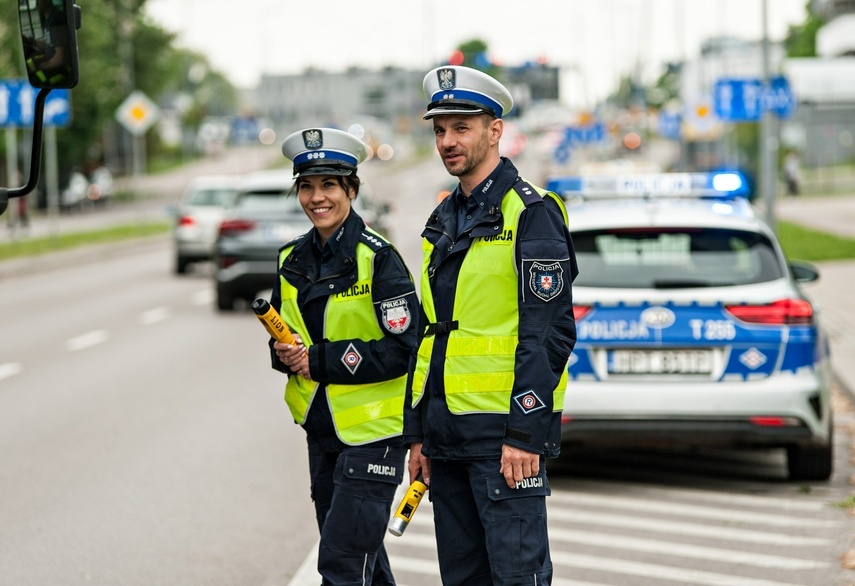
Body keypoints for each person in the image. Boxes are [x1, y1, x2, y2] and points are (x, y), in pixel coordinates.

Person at [405, 66, 579, 585]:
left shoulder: (531, 213)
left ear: (495, 130)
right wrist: (419, 434)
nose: (448, 141)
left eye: (462, 127)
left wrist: (525, 433)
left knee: (516, 578)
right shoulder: (443, 221)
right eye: (439, 130)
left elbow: (549, 332)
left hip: (505, 441)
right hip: (448, 438)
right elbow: (431, 338)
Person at [271, 127, 419, 585]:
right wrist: (282, 352)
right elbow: (287, 338)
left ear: (351, 191)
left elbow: (403, 350)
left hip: (374, 435)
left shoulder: (380, 259)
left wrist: (317, 360)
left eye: (329, 185)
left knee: (341, 565)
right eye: (307, 186)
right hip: (322, 431)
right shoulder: (291, 259)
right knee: (364, 569)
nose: (317, 197)